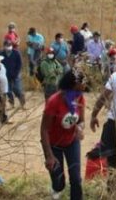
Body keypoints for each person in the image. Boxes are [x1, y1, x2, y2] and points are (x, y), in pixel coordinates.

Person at [40, 70, 86, 200]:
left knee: (76, 179)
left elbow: (81, 121)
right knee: (59, 181)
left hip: (71, 142)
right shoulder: (54, 101)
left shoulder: (80, 98)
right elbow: (44, 130)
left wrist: (79, 128)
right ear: (71, 86)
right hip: (53, 145)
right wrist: (49, 156)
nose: (82, 90)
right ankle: (57, 188)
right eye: (80, 87)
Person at [0, 41, 25, 109]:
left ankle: (22, 103)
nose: (8, 47)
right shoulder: (1, 54)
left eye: (10, 45)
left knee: (17, 89)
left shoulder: (16, 53)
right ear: (4, 46)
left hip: (16, 75)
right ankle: (12, 104)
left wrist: (16, 73)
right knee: (8, 90)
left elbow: (19, 64)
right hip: (6, 76)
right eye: (7, 45)